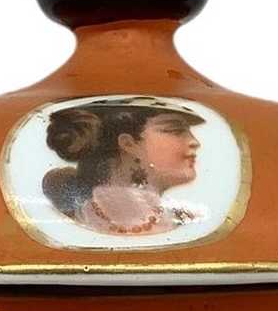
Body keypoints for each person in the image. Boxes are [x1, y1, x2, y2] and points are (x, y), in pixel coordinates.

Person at [40, 99, 204, 238]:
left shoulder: (187, 221)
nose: (195, 142)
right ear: (128, 144)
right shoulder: (71, 223)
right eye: (176, 130)